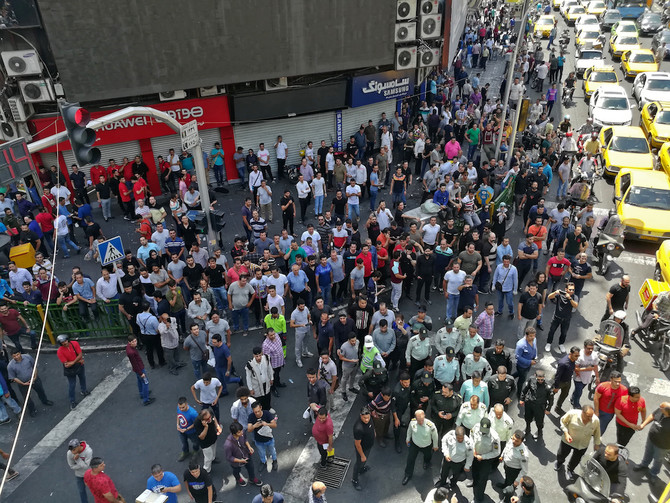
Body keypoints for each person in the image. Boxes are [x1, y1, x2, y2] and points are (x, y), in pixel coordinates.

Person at [556, 405, 601, 479]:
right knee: (561, 454)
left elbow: (597, 433)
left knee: (576, 459)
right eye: (588, 416)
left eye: (591, 416)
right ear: (582, 413)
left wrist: (596, 444)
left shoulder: (595, 420)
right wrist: (566, 433)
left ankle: (570, 469)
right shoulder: (572, 414)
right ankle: (559, 462)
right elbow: (563, 422)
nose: (590, 418)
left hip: (582, 445)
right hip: (568, 441)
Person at [7, 347, 53, 417]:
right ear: (12, 356)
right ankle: (32, 410)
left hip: (34, 380)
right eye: (14, 356)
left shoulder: (27, 357)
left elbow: (34, 366)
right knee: (27, 398)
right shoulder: (10, 366)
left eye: (17, 355)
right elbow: (13, 378)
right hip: (23, 384)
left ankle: (45, 401)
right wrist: (23, 383)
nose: (16, 357)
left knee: (40, 391)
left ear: (20, 353)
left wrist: (35, 377)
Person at [633, 402, 670, 481]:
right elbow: (653, 415)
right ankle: (644, 464)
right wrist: (643, 424)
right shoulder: (660, 410)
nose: (659, 408)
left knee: (658, 459)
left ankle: (654, 473)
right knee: (648, 452)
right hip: (651, 438)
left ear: (667, 411)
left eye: (661, 408)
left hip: (663, 446)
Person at [402, 409, 439, 485]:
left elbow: (435, 436)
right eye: (419, 420)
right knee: (410, 459)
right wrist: (408, 438)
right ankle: (408, 474)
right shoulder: (413, 422)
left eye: (422, 420)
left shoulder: (430, 426)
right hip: (415, 444)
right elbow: (409, 430)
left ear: (424, 416)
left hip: (427, 445)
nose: (421, 422)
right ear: (416, 418)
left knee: (428, 456)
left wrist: (435, 445)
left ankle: (426, 462)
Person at [470, 417, 501, 503]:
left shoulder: (494, 437)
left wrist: (483, 457)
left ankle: (479, 496)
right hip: (475, 455)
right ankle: (474, 483)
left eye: (485, 431)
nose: (483, 432)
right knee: (474, 472)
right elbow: (471, 435)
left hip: (486, 460)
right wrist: (473, 447)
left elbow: (496, 452)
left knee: (482, 478)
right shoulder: (476, 427)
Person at [56, 334, 89, 410]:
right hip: (72, 368)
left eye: (65, 341)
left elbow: (80, 354)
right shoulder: (59, 351)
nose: (65, 343)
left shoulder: (75, 343)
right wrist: (78, 361)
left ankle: (84, 391)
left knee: (82, 378)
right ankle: (72, 400)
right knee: (72, 384)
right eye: (62, 342)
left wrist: (73, 362)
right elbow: (67, 364)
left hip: (77, 365)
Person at [436, 425, 474, 489]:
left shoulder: (468, 443)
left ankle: (452, 484)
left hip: (458, 462)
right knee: (443, 472)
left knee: (456, 475)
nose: (460, 440)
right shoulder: (450, 434)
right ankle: (442, 482)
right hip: (447, 459)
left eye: (462, 438)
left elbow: (470, 455)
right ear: (455, 435)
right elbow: (444, 441)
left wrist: (467, 466)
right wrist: (446, 453)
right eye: (458, 438)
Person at [544, 283, 579, 353]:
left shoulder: (575, 297)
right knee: (552, 331)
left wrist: (570, 298)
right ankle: (548, 343)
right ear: (566, 289)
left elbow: (575, 306)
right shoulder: (560, 295)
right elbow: (549, 297)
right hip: (556, 317)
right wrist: (555, 293)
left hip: (566, 319)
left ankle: (561, 344)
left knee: (564, 333)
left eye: (573, 290)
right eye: (570, 289)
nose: (572, 291)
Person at [520, 369, 553, 442]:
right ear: (535, 376)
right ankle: (527, 428)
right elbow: (525, 389)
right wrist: (522, 399)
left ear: (544, 377)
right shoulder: (531, 380)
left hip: (539, 406)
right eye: (538, 379)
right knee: (527, 418)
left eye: (542, 379)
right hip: (529, 404)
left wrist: (548, 409)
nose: (540, 381)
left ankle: (539, 431)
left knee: (539, 421)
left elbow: (551, 399)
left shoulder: (548, 386)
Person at [247, 401, 278, 473]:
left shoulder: (267, 414)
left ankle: (274, 460)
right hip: (258, 440)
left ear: (261, 408)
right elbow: (249, 430)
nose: (257, 413)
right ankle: (263, 462)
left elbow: (274, 425)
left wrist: (267, 424)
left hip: (269, 439)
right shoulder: (251, 416)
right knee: (261, 453)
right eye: (255, 412)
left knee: (272, 451)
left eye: (258, 411)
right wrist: (254, 426)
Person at [126, 335, 155, 406]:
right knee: (145, 383)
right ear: (129, 342)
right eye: (133, 342)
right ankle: (146, 399)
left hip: (137, 369)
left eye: (135, 341)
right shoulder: (131, 352)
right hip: (140, 369)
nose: (135, 343)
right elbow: (135, 364)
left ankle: (142, 393)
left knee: (139, 381)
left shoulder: (128, 348)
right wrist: (141, 373)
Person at [352, 407, 375, 491]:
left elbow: (372, 426)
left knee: (364, 460)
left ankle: (361, 469)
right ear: (360, 416)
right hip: (362, 448)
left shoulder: (369, 419)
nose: (367, 420)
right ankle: (354, 479)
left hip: (369, 445)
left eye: (368, 417)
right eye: (364, 418)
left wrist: (374, 433)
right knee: (358, 463)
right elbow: (357, 444)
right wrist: (362, 455)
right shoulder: (358, 428)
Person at [571, 339, 599, 409]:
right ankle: (576, 405)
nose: (590, 350)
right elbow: (575, 368)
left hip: (587, 377)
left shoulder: (594, 355)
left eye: (592, 348)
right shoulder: (579, 355)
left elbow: (595, 367)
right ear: (584, 347)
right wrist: (586, 369)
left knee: (578, 390)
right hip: (578, 377)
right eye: (588, 348)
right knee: (579, 392)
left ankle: (572, 398)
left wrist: (597, 377)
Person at [552, 346, 579, 414]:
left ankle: (558, 408)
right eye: (576, 356)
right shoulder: (563, 363)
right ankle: (544, 406)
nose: (577, 357)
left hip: (568, 380)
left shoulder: (573, 360)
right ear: (570, 354)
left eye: (578, 356)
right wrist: (556, 387)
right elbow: (558, 375)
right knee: (551, 394)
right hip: (560, 382)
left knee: (564, 394)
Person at [67, 439, 92, 503]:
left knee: (95, 489)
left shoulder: (88, 451)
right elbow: (71, 466)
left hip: (89, 474)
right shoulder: (69, 453)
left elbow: (86, 467)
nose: (72, 452)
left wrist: (77, 460)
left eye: (74, 450)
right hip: (79, 475)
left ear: (78, 446)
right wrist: (82, 464)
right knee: (81, 491)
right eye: (71, 450)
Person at [177, 396, 201, 462]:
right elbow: (178, 416)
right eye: (180, 407)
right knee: (184, 443)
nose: (181, 409)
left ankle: (195, 451)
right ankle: (185, 452)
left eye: (183, 407)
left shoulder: (193, 413)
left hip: (192, 432)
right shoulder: (178, 408)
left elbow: (196, 423)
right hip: (181, 431)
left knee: (195, 443)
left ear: (186, 404)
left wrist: (187, 429)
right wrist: (177, 425)